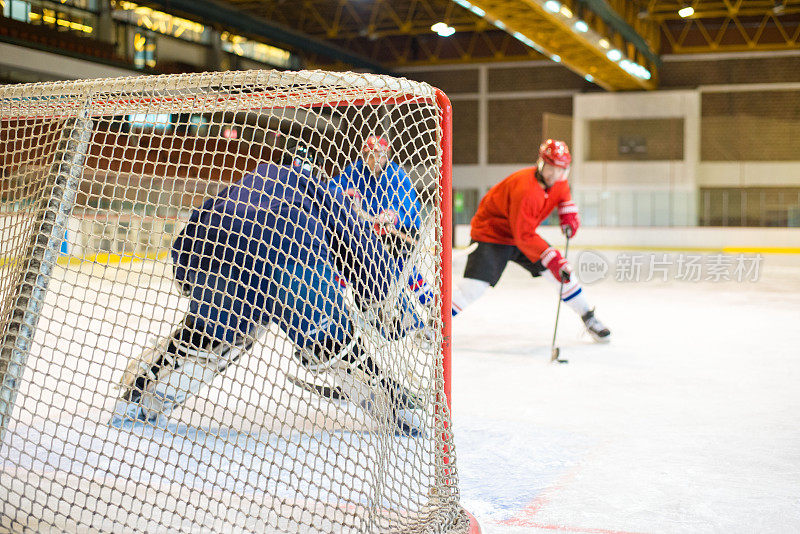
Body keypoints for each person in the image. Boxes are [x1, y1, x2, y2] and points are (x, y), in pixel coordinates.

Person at [112, 141, 423, 435]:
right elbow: (358, 245)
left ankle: (137, 401)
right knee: (334, 344)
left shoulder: (243, 185)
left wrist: (192, 288)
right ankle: (399, 412)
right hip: (291, 260)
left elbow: (189, 237)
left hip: (219, 259)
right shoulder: (320, 190)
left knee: (208, 339)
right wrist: (378, 294)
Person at [451, 139, 611, 342]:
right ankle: (435, 324)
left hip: (520, 235)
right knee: (473, 288)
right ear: (541, 164)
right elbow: (524, 234)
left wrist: (567, 212)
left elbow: (562, 196)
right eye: (550, 168)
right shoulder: (525, 189)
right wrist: (553, 258)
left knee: (563, 275)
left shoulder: (559, 182)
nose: (554, 175)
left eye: (560, 170)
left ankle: (589, 318)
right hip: (492, 236)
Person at [331, 135, 436, 310]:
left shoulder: (396, 175)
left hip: (401, 230)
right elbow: (334, 188)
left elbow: (408, 206)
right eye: (370, 155)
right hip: (371, 231)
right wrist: (343, 195)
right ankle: (334, 304)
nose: (374, 160)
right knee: (347, 261)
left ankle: (430, 304)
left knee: (402, 267)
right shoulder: (355, 171)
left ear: (387, 154)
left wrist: (391, 216)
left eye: (378, 155)